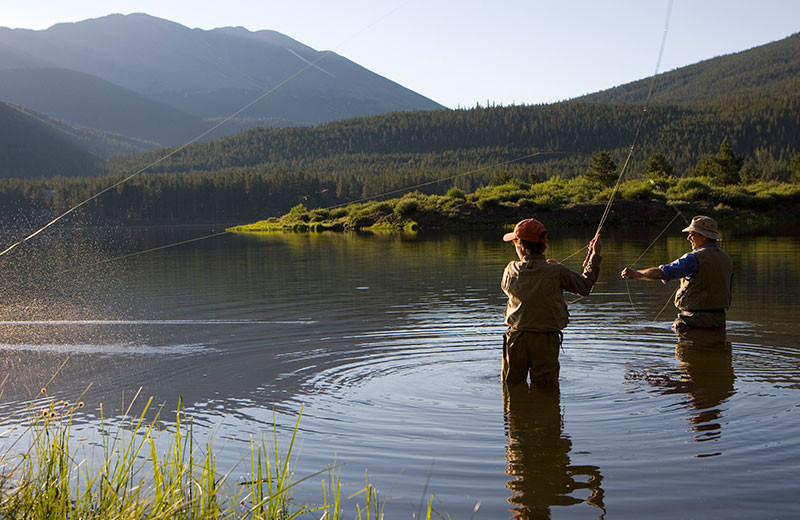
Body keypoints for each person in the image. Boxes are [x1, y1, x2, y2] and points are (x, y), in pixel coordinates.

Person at [501, 218, 602, 387]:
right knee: (546, 389)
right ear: (543, 245)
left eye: (515, 243)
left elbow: (509, 288)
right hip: (546, 340)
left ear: (522, 246)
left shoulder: (511, 269)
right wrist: (595, 255)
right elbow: (585, 287)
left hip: (516, 338)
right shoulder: (557, 271)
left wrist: (546, 271)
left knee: (511, 387)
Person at [620, 215, 733, 333]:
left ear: (704, 236)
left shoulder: (693, 258)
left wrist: (637, 274)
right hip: (719, 321)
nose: (689, 238)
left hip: (693, 321)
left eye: (692, 233)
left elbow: (662, 273)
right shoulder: (726, 258)